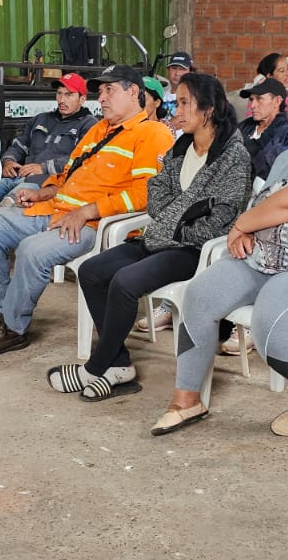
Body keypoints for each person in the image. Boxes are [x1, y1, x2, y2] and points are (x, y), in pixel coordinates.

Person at [151, 74, 288, 438]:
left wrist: (242, 223)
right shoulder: (287, 156)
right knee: (199, 296)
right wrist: (247, 227)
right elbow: (265, 201)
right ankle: (186, 400)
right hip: (267, 256)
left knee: (269, 324)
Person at [50, 73, 251, 399]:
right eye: (178, 102)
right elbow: (156, 198)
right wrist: (183, 211)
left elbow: (220, 219)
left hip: (194, 250)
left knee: (125, 283)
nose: (178, 110)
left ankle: (95, 367)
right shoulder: (180, 148)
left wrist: (178, 217)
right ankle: (119, 365)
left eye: (185, 103)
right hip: (161, 237)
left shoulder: (233, 156)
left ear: (209, 109)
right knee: (92, 270)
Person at [0, 64, 174, 357]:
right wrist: (42, 191)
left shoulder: (153, 134)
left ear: (133, 92)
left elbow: (146, 193)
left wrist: (88, 211)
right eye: (100, 92)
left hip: (95, 225)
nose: (103, 98)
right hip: (56, 209)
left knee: (31, 251)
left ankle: (11, 327)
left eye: (110, 90)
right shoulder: (99, 129)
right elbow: (69, 172)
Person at [0, 72, 97, 211]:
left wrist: (43, 167)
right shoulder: (41, 119)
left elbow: (81, 159)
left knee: (6, 207)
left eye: (69, 95)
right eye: (59, 94)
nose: (62, 100)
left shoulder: (90, 125)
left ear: (82, 99)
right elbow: (20, 144)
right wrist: (8, 161)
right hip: (17, 176)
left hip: (43, 184)